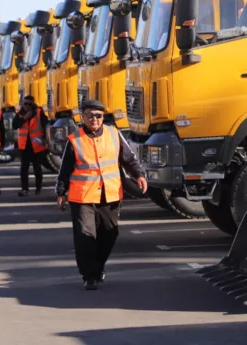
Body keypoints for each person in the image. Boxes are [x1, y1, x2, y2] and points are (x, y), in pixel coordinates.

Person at [55, 99, 148, 290]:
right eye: (89, 115)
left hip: (110, 194)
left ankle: (98, 266)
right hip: (82, 197)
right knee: (85, 236)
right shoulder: (75, 140)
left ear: (103, 117)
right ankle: (89, 275)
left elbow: (128, 158)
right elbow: (65, 169)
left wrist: (139, 174)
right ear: (83, 117)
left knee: (110, 234)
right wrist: (61, 192)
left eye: (98, 116)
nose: (94, 119)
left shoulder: (114, 134)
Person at [13, 95, 49, 196]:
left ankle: (38, 188)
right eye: (25, 104)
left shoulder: (38, 112)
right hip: (24, 146)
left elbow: (46, 125)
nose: (27, 106)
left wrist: (45, 138)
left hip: (37, 145)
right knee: (24, 169)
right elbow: (15, 125)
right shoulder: (20, 114)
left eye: (29, 104)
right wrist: (25, 118)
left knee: (37, 168)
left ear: (33, 104)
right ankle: (24, 189)